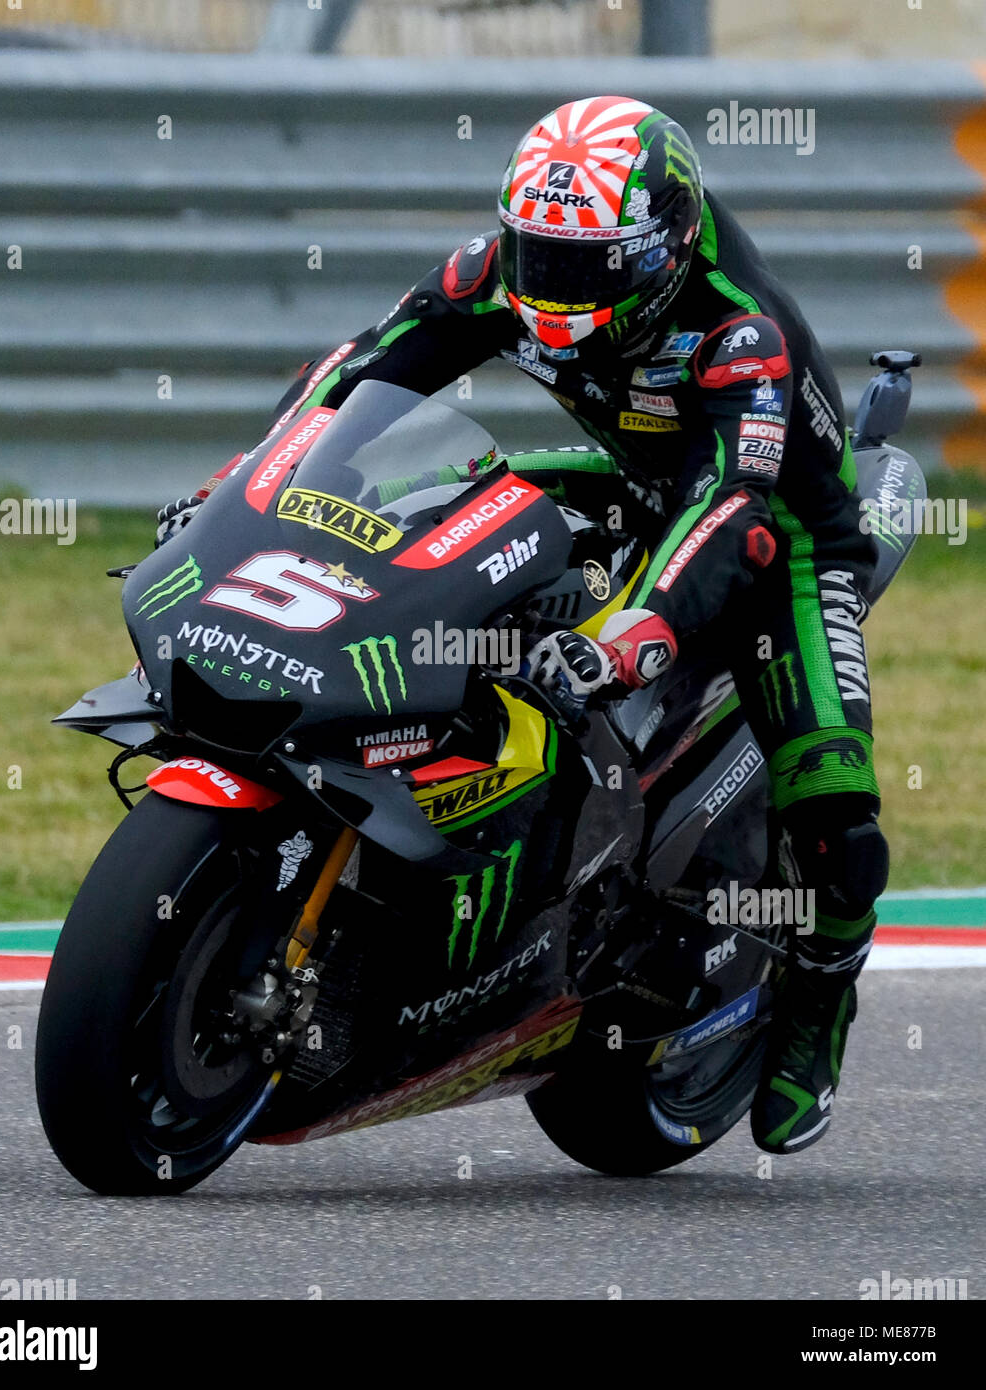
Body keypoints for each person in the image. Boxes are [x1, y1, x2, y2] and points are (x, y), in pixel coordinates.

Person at [157, 96, 889, 1154]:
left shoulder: (739, 334)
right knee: (430, 515)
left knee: (835, 805)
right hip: (637, 480)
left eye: (584, 268)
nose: (550, 290)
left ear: (664, 249)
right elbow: (363, 369)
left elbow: (730, 507)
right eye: (537, 254)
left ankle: (815, 1011)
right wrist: (242, 488)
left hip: (780, 530)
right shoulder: (503, 267)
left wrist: (629, 627)